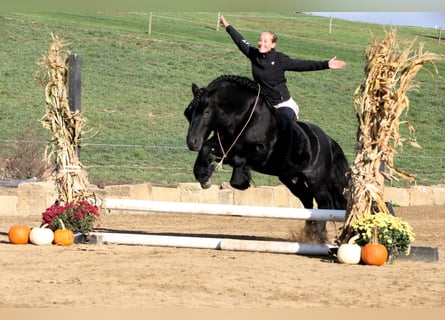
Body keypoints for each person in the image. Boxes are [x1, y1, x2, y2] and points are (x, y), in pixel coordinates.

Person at [219, 15, 346, 173]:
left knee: (283, 125)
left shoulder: (280, 60)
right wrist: (228, 27)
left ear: (273, 44)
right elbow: (241, 41)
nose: (261, 43)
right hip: (266, 105)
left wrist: (326, 64)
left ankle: (288, 161)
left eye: (266, 41)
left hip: (284, 104)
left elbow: (303, 65)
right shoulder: (254, 54)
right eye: (260, 40)